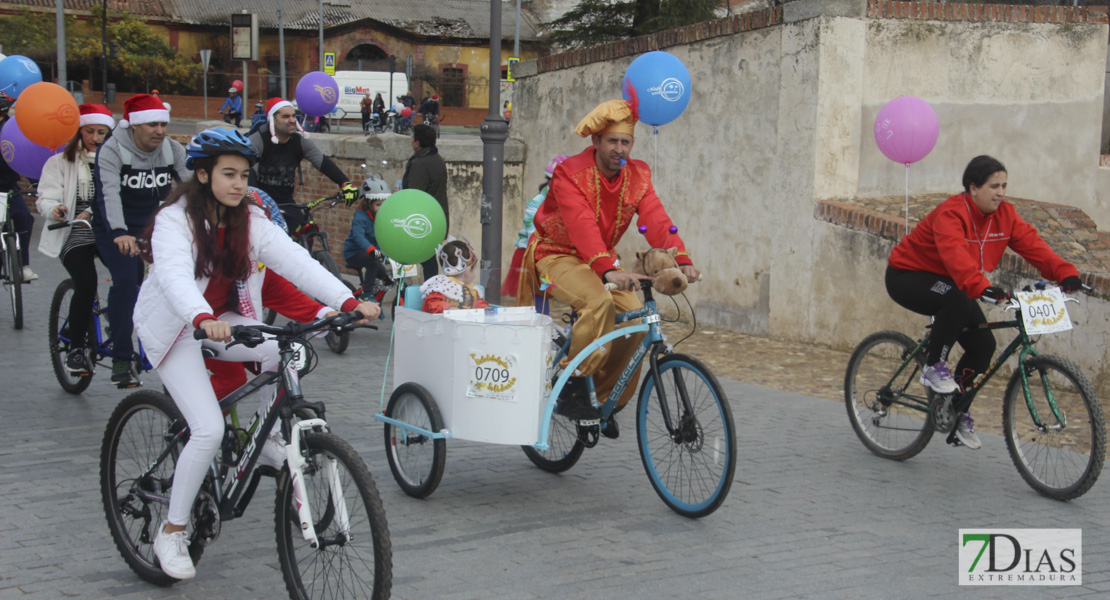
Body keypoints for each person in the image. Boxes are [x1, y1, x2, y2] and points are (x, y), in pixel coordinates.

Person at [133, 127, 379, 580]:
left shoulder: (250, 219)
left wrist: (347, 301)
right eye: (229, 174)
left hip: (221, 320)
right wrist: (201, 316)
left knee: (291, 352)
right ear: (203, 175)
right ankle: (171, 529)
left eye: (245, 175)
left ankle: (262, 438)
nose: (239, 183)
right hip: (176, 326)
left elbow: (295, 261)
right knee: (206, 429)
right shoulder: (176, 219)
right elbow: (172, 276)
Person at [515, 99, 700, 435]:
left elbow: (657, 219)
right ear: (596, 142)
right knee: (597, 302)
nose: (619, 149)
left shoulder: (638, 176)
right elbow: (580, 223)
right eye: (612, 141)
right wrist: (607, 270)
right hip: (557, 255)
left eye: (625, 142)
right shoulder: (570, 173)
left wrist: (681, 258)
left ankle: (601, 398)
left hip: (602, 261)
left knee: (638, 322)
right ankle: (574, 384)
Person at [885, 155, 1081, 450]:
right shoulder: (951, 214)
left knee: (984, 346)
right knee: (957, 298)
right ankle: (934, 366)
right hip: (909, 275)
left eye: (1004, 185)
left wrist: (1065, 272)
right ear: (973, 188)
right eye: (994, 186)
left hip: (956, 282)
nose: (1001, 192)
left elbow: (1034, 246)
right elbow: (956, 257)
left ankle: (956, 407)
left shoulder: (1006, 216)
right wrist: (982, 287)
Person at [91, 93, 189, 387]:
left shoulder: (171, 149)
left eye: (163, 124)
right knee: (125, 283)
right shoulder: (112, 151)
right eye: (152, 125)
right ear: (134, 126)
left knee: (176, 281)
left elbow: (189, 187)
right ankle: (122, 357)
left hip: (153, 225)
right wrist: (120, 232)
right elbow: (109, 193)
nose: (159, 130)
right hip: (115, 226)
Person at [35, 105, 115, 373]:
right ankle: (76, 349)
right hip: (73, 231)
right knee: (87, 282)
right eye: (90, 131)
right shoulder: (58, 163)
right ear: (78, 132)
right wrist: (54, 209)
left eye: (101, 132)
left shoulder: (113, 162)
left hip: (106, 231)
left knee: (130, 273)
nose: (95, 137)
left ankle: (117, 322)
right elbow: (45, 198)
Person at [247, 97, 358, 235]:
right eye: (286, 116)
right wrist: (254, 202)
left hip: (286, 201)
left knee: (304, 233)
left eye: (294, 116)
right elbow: (247, 170)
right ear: (273, 120)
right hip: (259, 201)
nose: (293, 120)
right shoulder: (259, 139)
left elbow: (322, 162)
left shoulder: (300, 141)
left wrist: (345, 183)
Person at [501, 154, 568, 300]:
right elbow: (535, 235)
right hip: (530, 254)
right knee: (536, 299)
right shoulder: (536, 203)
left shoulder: (570, 202)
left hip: (555, 255)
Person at [401, 124, 448, 279]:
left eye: (413, 138)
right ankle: (431, 287)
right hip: (437, 216)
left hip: (423, 219)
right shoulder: (437, 159)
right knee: (428, 258)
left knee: (423, 258)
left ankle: (427, 290)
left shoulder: (419, 164)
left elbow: (414, 194)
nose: (411, 141)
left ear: (418, 143)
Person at [0, 92, 38, 281]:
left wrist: (36, 182)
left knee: (25, 217)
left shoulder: (12, 130)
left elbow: (25, 157)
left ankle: (22, 265)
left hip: (8, 186)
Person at [343, 174, 392, 302]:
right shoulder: (361, 217)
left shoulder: (379, 216)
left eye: (384, 204)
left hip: (371, 252)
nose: (381, 208)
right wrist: (371, 250)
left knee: (386, 277)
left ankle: (377, 302)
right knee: (374, 262)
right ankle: (367, 294)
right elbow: (358, 236)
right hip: (354, 253)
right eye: (378, 204)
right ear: (368, 203)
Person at [421, 237, 490, 313]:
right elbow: (432, 303)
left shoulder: (470, 289)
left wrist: (485, 308)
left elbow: (478, 303)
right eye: (473, 269)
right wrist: (450, 309)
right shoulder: (441, 287)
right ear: (467, 271)